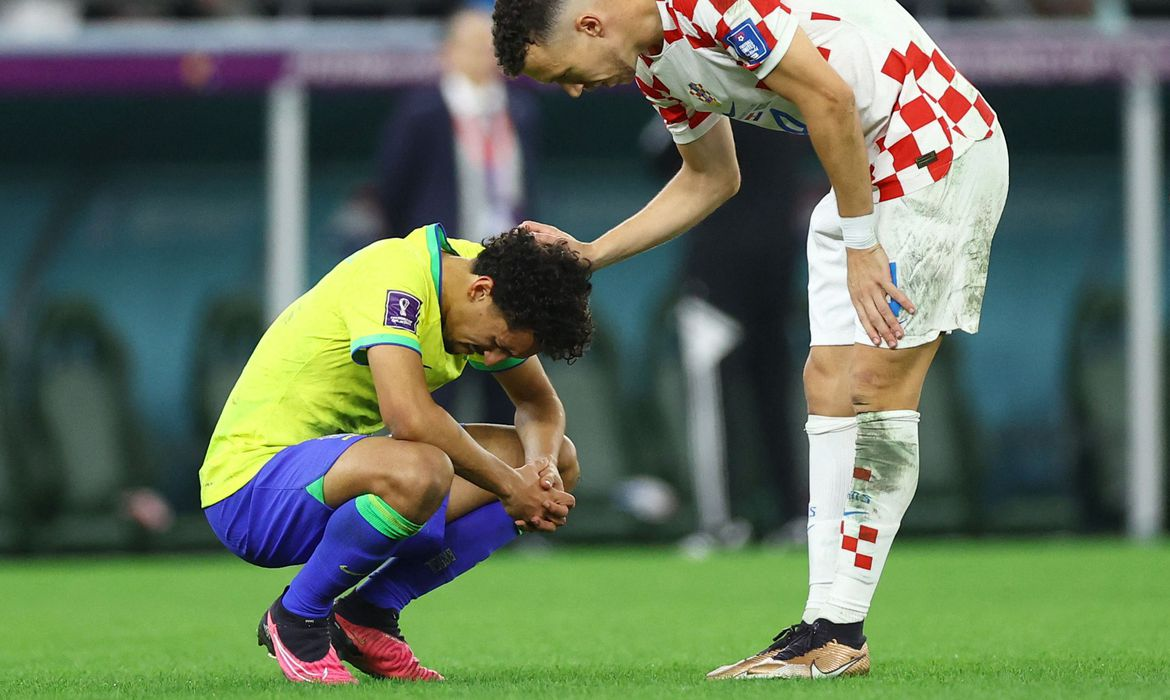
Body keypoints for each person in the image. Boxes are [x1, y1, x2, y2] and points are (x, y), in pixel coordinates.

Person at [492, 0, 1009, 680]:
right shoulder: (654, 68)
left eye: (565, 74)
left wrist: (862, 245)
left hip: (930, 145)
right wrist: (588, 254)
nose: (577, 90)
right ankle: (822, 628)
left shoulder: (705, 6)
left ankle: (840, 629)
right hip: (860, 177)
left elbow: (828, 95)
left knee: (876, 385)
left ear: (590, 25)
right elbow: (711, 177)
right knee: (825, 383)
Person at [199, 224, 593, 684]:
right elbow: (408, 418)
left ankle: (368, 614)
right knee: (421, 467)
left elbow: (538, 406)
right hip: (252, 492)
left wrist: (538, 470)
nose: (490, 360)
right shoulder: (396, 278)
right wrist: (511, 486)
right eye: (495, 345)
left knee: (560, 460)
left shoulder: (491, 282)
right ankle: (297, 618)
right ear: (480, 291)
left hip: (343, 476)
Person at [376, 3, 542, 427]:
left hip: (506, 270)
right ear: (446, 52)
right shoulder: (421, 112)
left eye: (490, 46)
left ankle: (505, 488)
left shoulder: (520, 109)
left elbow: (527, 186)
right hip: (443, 276)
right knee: (437, 394)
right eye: (471, 46)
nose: (483, 55)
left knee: (506, 396)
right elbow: (392, 190)